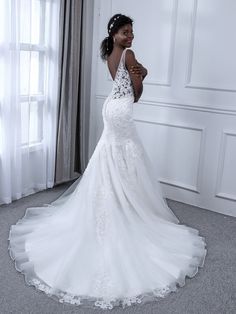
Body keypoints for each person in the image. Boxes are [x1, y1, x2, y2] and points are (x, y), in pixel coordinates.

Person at [8, 14, 207, 310]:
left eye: (132, 33)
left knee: (113, 154)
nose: (130, 37)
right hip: (123, 110)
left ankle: (115, 202)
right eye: (126, 32)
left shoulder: (109, 54)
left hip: (110, 109)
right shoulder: (128, 54)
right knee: (127, 156)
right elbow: (136, 92)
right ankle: (126, 207)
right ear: (114, 33)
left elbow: (124, 79)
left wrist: (140, 73)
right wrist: (141, 82)